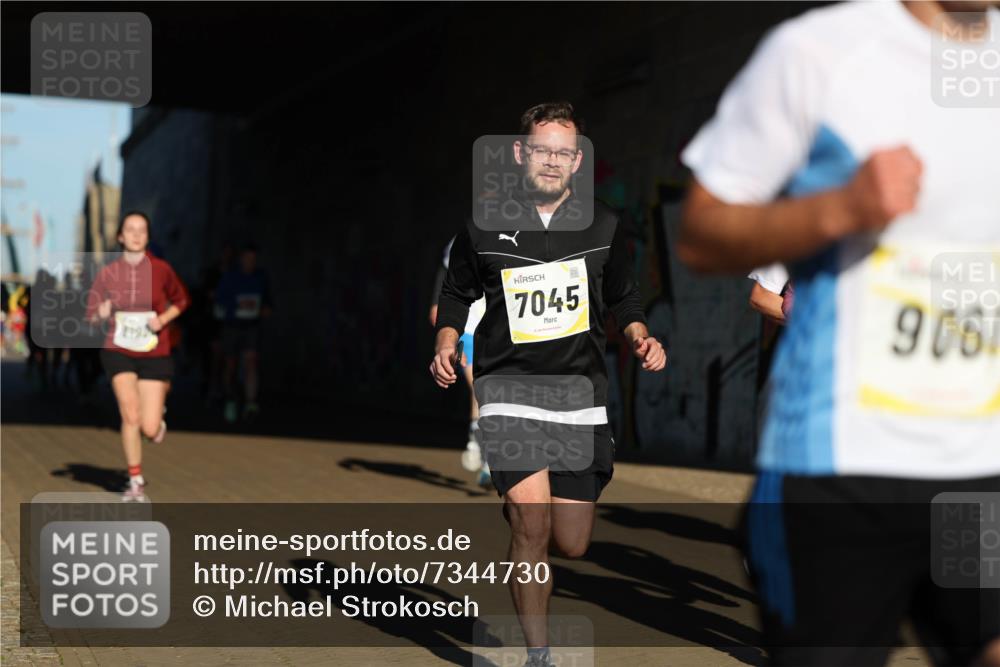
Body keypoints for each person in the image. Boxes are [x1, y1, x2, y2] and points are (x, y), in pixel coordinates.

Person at [678, 2, 1000, 664]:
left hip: (979, 467)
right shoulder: (817, 52)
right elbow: (701, 235)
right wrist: (843, 207)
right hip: (840, 471)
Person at [430, 102, 666, 667]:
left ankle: (524, 517)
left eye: (566, 152)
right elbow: (456, 294)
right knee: (531, 525)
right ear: (520, 153)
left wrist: (639, 334)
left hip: (578, 397)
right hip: (509, 391)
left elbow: (624, 295)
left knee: (572, 542)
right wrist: (444, 342)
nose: (554, 162)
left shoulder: (603, 223)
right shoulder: (483, 224)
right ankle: (540, 653)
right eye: (543, 150)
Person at [87, 211, 189, 502]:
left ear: (147, 236)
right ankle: (135, 481)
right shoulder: (107, 273)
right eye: (129, 229)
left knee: (149, 426)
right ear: (120, 236)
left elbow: (182, 300)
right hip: (118, 350)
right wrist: (101, 313)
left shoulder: (162, 269)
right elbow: (90, 315)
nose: (135, 235)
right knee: (129, 413)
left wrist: (163, 318)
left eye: (141, 230)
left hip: (154, 351)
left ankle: (158, 419)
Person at [430, 236, 490, 486]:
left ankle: (479, 446)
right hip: (468, 329)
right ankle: (481, 450)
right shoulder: (460, 243)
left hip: (502, 331)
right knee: (480, 387)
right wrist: (448, 341)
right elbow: (438, 306)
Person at [215, 242, 272, 423]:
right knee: (230, 364)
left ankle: (250, 402)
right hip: (232, 326)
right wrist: (237, 305)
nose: (250, 262)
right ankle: (230, 398)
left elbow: (268, 301)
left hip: (251, 327)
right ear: (241, 259)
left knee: (251, 362)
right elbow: (219, 300)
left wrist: (265, 309)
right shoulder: (231, 277)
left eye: (253, 259)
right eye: (247, 259)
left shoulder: (261, 277)